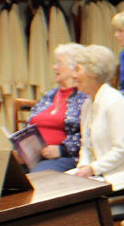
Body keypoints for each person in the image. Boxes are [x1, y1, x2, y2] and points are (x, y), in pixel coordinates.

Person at [67, 45, 124, 191]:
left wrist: (91, 169)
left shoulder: (115, 102)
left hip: (123, 174)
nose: (73, 75)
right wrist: (84, 167)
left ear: (94, 73)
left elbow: (121, 150)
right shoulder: (87, 103)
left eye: (77, 70)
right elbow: (85, 145)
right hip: (98, 173)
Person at [26, 43, 87, 173]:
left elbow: (88, 135)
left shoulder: (84, 98)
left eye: (59, 63)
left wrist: (61, 150)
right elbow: (30, 124)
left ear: (75, 68)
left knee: (37, 177)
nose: (54, 67)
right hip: (35, 156)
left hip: (66, 156)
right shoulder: (50, 94)